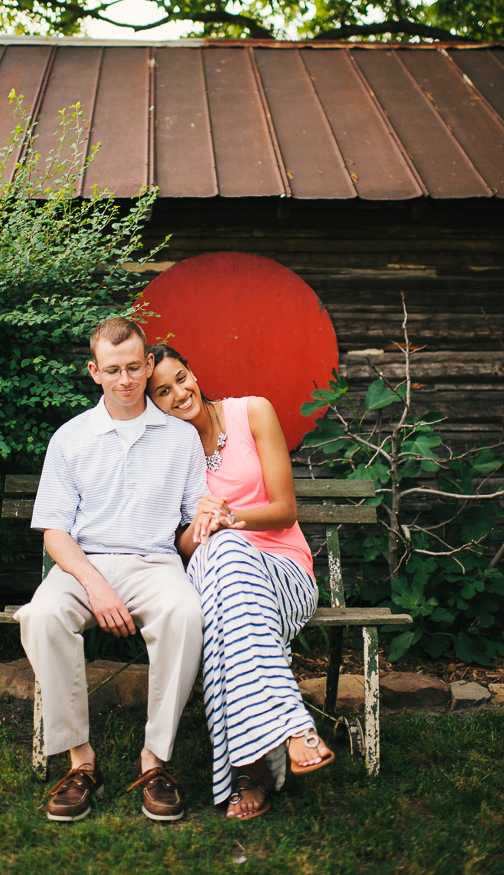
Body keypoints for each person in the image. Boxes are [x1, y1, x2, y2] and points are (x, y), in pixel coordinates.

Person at [16, 318, 210, 824]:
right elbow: (55, 532)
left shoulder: (180, 438)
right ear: (94, 372)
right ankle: (81, 762)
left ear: (148, 366)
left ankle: (155, 762)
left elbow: (188, 526)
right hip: (84, 566)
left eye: (133, 368)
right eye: (112, 370)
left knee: (186, 612)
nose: (125, 380)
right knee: (40, 617)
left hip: (155, 562)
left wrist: (213, 522)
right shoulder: (71, 437)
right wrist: (95, 586)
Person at [147, 344, 334, 821]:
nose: (179, 394)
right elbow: (183, 547)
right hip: (217, 582)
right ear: (153, 403)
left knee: (229, 559)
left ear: (194, 372)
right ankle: (291, 729)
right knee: (225, 564)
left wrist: (228, 519)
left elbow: (285, 510)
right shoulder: (168, 450)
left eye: (181, 378)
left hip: (283, 574)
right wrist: (200, 528)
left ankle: (248, 772)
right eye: (162, 392)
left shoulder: (252, 412)